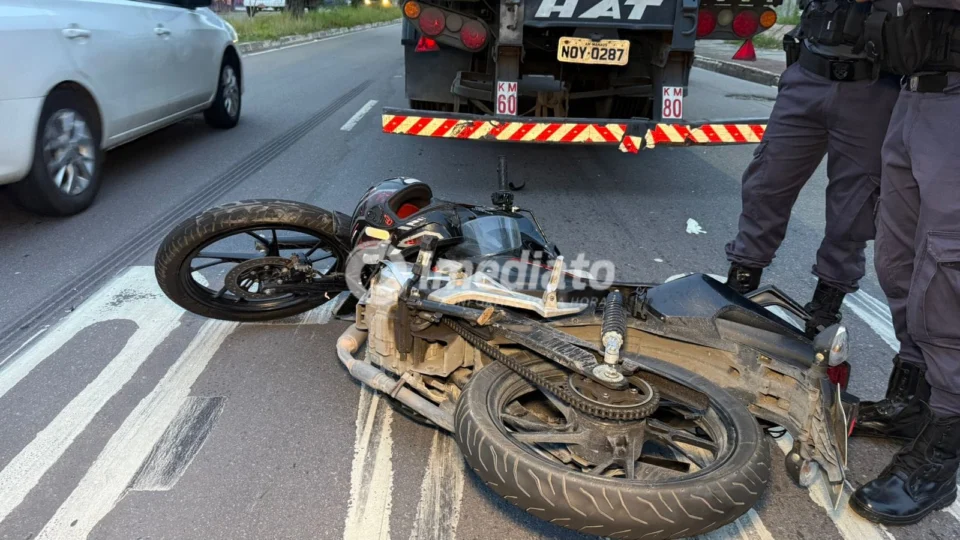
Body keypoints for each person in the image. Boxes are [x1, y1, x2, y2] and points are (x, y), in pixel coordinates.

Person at [724, 0, 900, 338]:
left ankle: (824, 311)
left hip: (873, 86)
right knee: (766, 184)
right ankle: (740, 285)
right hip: (808, 73)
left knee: (854, 208)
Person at [849, 1, 960, 526]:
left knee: (947, 274)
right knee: (898, 262)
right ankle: (910, 401)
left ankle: (940, 454)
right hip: (913, 93)